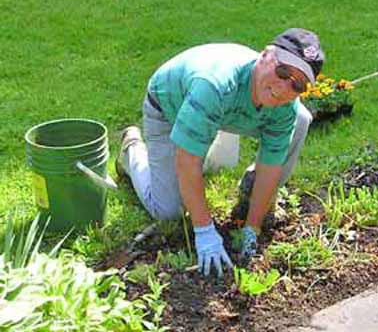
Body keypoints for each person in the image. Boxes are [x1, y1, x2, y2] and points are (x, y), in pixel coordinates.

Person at [116, 28, 325, 277]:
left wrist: (252, 228)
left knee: (300, 118)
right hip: (169, 108)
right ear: (265, 55)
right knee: (168, 210)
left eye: (298, 84)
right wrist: (204, 231)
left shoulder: (283, 104)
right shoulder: (215, 84)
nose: (284, 87)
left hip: (229, 107)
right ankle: (131, 152)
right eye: (282, 71)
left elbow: (271, 166)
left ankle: (247, 185)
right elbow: (187, 161)